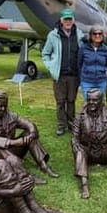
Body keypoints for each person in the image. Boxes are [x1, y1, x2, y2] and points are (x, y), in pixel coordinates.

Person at [0, 90, 58, 179]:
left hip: (10, 151)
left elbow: (29, 124)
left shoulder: (11, 116)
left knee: (28, 134)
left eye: (5, 106)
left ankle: (43, 165)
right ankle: (25, 176)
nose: (3, 109)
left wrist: (32, 133)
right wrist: (14, 142)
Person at [42, 8, 83, 136]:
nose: (68, 21)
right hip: (59, 75)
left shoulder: (79, 35)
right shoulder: (53, 35)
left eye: (70, 19)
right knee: (60, 101)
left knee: (71, 101)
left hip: (74, 75)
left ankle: (71, 124)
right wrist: (50, 67)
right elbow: (45, 53)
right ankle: (61, 125)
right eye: (66, 19)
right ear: (61, 20)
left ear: (73, 20)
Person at [78, 25, 107, 99]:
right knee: (88, 104)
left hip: (101, 82)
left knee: (100, 104)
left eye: (100, 34)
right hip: (87, 81)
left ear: (103, 35)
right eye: (94, 33)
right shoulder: (83, 48)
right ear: (90, 35)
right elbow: (79, 65)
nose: (97, 35)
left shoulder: (106, 49)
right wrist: (80, 81)